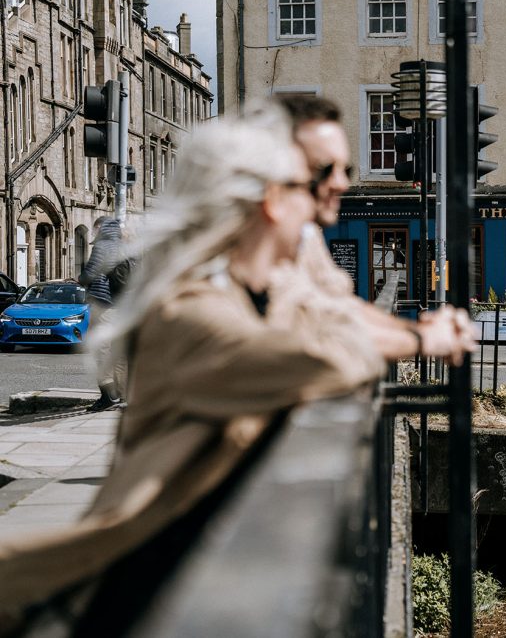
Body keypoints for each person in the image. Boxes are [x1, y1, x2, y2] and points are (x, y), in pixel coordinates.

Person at [0, 104, 470, 631]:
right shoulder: (190, 310)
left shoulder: (265, 291)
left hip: (186, 569)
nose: (324, 195)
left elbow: (330, 312)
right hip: (116, 597)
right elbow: (319, 355)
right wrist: (416, 337)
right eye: (307, 182)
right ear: (271, 199)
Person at [274, 94, 475, 359]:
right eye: (324, 170)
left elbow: (344, 309)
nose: (341, 184)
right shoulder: (239, 262)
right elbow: (322, 344)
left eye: (344, 171)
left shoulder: (305, 235)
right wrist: (424, 339)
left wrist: (417, 328)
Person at [78, 216, 125, 411]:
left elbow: (89, 275)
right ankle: (123, 394)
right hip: (120, 304)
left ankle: (108, 395)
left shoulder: (103, 246)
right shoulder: (123, 246)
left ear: (100, 228)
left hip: (102, 303)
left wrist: (80, 278)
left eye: (95, 228)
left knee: (100, 349)